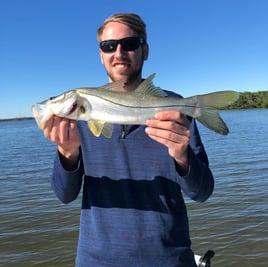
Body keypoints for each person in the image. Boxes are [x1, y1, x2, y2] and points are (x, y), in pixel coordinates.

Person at [44, 13, 214, 267]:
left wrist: (182, 157)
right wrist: (67, 154)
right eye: (109, 46)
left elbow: (202, 192)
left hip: (168, 259)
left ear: (145, 50)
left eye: (130, 44)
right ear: (101, 55)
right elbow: (64, 195)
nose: (119, 52)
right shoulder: (80, 114)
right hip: (96, 260)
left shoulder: (174, 110)